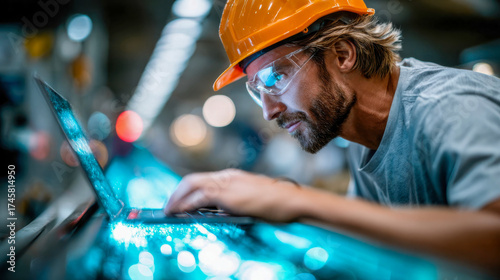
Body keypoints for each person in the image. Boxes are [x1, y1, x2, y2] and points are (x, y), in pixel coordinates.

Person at [164, 0, 500, 272]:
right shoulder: (361, 135)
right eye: (257, 90)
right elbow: (374, 234)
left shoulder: (450, 107)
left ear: (342, 54)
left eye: (274, 78)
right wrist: (279, 194)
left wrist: (300, 202)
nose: (268, 111)